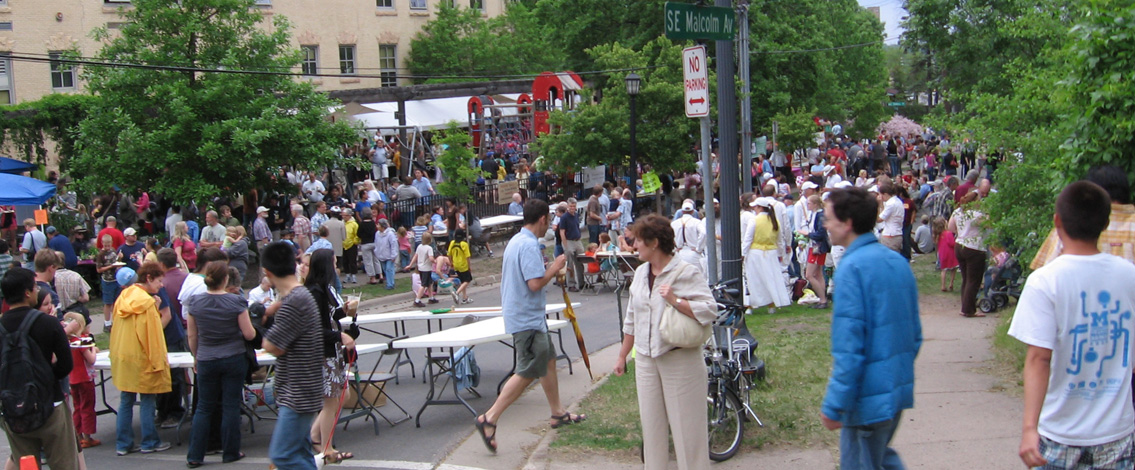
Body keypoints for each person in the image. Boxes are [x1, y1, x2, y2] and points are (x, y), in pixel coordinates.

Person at [1009, 181, 1135, 469]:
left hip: (1059, 433)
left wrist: (1030, 429)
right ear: (1106, 223)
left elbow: (1039, 358)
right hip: (1116, 432)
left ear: (1057, 221)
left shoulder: (1044, 281)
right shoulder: (1129, 276)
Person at [820, 187, 921, 470]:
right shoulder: (898, 263)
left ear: (848, 222)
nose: (825, 225)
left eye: (829, 219)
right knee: (880, 458)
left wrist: (834, 404)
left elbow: (849, 348)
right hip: (895, 391)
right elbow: (914, 336)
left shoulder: (852, 269)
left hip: (866, 400)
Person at [474, 199, 578, 454]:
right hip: (526, 319)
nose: (551, 224)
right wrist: (554, 267)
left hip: (525, 316)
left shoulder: (517, 241)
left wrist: (548, 269)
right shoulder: (529, 245)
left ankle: (557, 413)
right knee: (529, 369)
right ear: (542, 218)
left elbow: (528, 276)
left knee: (549, 360)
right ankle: (489, 418)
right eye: (550, 219)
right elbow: (534, 283)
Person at [613, 214, 716, 470]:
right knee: (652, 431)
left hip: (679, 359)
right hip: (646, 361)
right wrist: (622, 355)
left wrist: (675, 301)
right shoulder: (640, 274)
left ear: (655, 243)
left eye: (638, 240)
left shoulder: (685, 272)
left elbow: (709, 310)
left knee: (687, 432)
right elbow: (632, 318)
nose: (633, 245)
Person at [0, 268, 80, 469]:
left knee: (26, 463)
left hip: (13, 407)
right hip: (50, 402)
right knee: (64, 463)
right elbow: (65, 365)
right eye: (35, 287)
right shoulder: (48, 323)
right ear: (27, 292)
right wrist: (45, 378)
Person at [184, 261, 256, 467]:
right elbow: (249, 333)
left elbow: (192, 335)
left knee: (204, 407)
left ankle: (195, 454)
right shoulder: (236, 302)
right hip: (233, 356)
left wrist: (196, 356)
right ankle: (231, 451)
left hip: (207, 356)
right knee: (230, 405)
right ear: (225, 280)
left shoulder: (195, 303)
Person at [260, 242, 324, 470]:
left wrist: (265, 336)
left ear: (267, 272)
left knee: (283, 455)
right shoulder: (298, 296)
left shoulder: (294, 302)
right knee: (300, 452)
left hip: (298, 392)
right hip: (304, 387)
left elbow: (274, 345)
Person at [110, 262, 173, 456]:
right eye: (159, 281)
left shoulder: (123, 297)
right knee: (147, 400)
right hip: (143, 358)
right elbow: (152, 338)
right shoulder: (147, 304)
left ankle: (123, 443)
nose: (161, 285)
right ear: (148, 279)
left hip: (123, 357)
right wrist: (158, 363)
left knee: (126, 401)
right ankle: (149, 441)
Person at [305, 250, 358, 464]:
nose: (337, 266)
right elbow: (316, 328)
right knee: (331, 400)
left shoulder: (324, 290)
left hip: (333, 352)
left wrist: (344, 312)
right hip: (323, 352)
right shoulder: (315, 292)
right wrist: (341, 335)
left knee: (339, 396)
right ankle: (326, 448)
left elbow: (331, 316)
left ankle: (316, 437)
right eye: (334, 262)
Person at [742, 197, 791, 313]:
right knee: (771, 278)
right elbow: (779, 240)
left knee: (754, 279)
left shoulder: (754, 220)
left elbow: (748, 239)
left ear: (759, 207)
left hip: (755, 252)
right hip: (771, 252)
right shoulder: (774, 220)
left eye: (755, 206)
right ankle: (771, 304)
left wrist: (743, 253)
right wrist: (781, 254)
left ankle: (752, 305)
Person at [949, 189, 987, 317]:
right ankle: (969, 309)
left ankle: (964, 305)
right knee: (974, 280)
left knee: (966, 278)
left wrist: (961, 232)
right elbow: (989, 225)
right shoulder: (977, 215)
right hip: (974, 247)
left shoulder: (958, 212)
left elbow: (950, 228)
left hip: (960, 244)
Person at [64, 312, 99, 449]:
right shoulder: (83, 340)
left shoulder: (66, 342)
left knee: (77, 407)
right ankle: (88, 436)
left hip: (72, 378)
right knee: (87, 407)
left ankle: (78, 434)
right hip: (85, 378)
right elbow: (91, 359)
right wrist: (94, 350)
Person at [803, 195, 830, 309]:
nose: (807, 205)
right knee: (818, 274)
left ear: (815, 204)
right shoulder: (814, 214)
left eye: (809, 203)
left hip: (817, 248)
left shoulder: (820, 215)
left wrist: (808, 235)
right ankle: (822, 299)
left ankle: (822, 299)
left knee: (809, 275)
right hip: (814, 246)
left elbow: (820, 233)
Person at [559, 198, 584, 292]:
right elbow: (562, 231)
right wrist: (565, 245)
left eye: (574, 206)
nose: (572, 208)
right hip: (569, 240)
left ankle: (582, 282)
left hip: (577, 240)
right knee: (570, 263)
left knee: (580, 262)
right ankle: (571, 284)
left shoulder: (576, 215)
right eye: (570, 206)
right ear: (567, 207)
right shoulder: (564, 217)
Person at [407, 232, 437, 307]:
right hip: (426, 268)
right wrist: (434, 261)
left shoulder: (419, 246)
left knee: (429, 283)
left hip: (420, 267)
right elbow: (431, 258)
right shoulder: (429, 248)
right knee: (424, 285)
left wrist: (410, 265)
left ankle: (431, 298)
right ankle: (417, 300)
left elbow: (415, 256)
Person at [448, 228, 473, 303]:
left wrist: (451, 263)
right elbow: (467, 257)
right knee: (468, 280)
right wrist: (469, 267)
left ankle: (465, 298)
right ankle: (456, 293)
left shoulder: (452, 243)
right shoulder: (464, 244)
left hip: (456, 265)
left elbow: (449, 254)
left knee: (463, 281)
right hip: (463, 265)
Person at [373, 219, 398, 290]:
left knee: (389, 269)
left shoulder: (390, 234)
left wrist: (393, 255)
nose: (377, 226)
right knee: (385, 269)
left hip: (389, 256)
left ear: (383, 226)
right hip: (381, 255)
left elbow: (393, 245)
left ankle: (390, 284)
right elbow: (376, 244)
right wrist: (377, 252)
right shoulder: (377, 234)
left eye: (378, 225)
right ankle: (389, 282)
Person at [357, 208, 378, 285]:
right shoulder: (372, 223)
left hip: (365, 243)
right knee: (376, 260)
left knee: (368, 261)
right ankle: (380, 274)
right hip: (373, 242)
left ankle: (372, 278)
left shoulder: (362, 224)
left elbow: (358, 234)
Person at [342, 208, 359, 284]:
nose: (343, 217)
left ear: (349, 216)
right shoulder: (341, 223)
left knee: (352, 260)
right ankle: (347, 274)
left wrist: (355, 241)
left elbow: (357, 234)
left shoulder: (354, 224)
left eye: (345, 215)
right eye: (343, 215)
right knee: (345, 261)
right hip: (343, 245)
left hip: (351, 244)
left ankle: (354, 275)